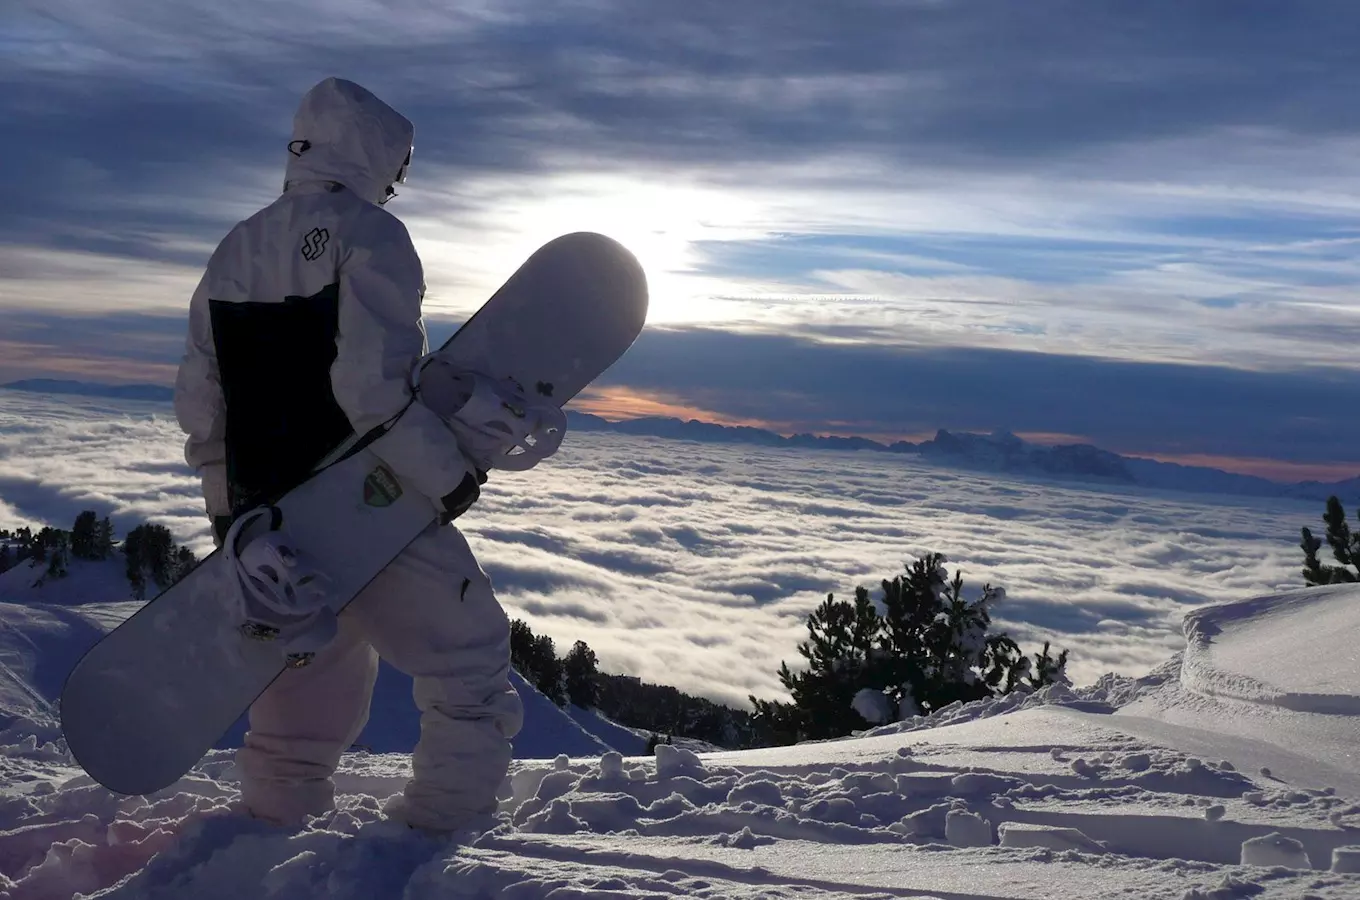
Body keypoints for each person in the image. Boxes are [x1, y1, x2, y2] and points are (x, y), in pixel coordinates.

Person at [173, 77, 523, 834]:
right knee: (470, 666)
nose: (398, 184)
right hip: (366, 497)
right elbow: (370, 387)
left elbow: (202, 404)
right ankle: (435, 839)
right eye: (397, 167)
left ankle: (268, 837)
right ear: (376, 156)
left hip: (273, 520)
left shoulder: (235, 244)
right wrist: (449, 477)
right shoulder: (371, 235)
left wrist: (233, 518)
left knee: (304, 701)